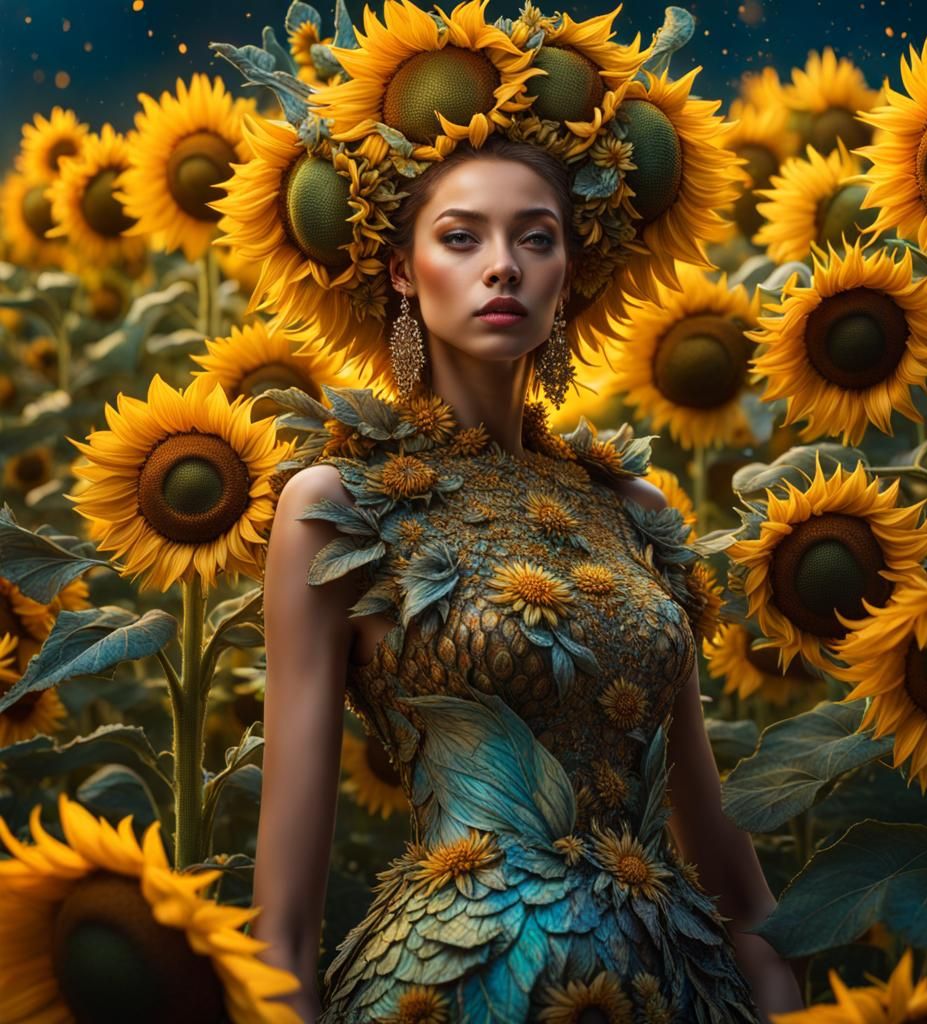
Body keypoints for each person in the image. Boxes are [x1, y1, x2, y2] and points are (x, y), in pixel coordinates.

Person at [253, 130, 804, 1022]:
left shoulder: (637, 507)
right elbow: (281, 926)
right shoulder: (336, 506)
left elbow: (714, 840)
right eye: (463, 237)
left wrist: (776, 979)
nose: (502, 266)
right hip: (449, 983)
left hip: (681, 988)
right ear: (402, 271)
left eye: (536, 238)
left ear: (567, 274)